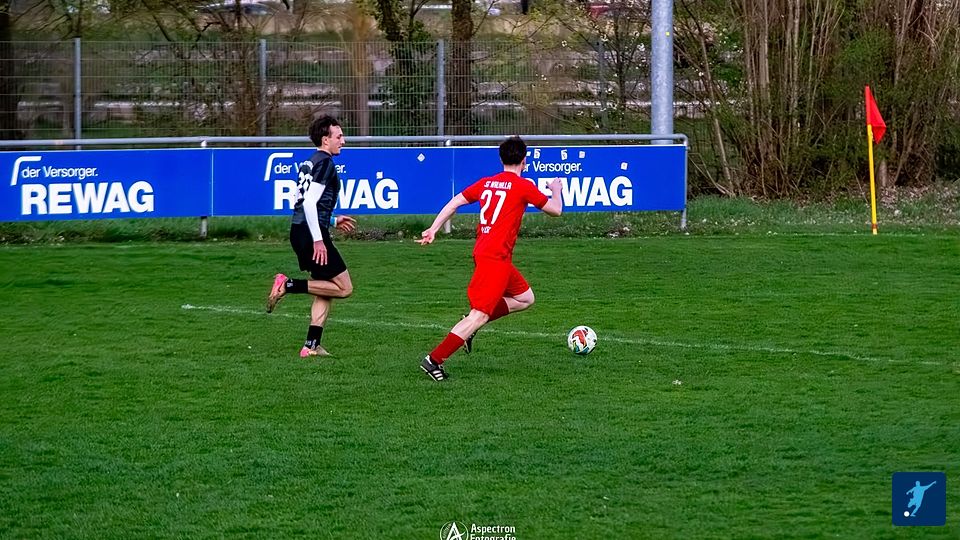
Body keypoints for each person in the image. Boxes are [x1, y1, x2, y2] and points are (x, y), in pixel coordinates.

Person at [416, 135, 563, 381]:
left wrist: (434, 228)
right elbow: (556, 210)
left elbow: (454, 203)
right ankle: (434, 360)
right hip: (494, 258)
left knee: (525, 298)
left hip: (490, 254)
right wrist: (556, 191)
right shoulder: (523, 186)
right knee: (480, 315)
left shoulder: (487, 183)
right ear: (524, 161)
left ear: (501, 159)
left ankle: (469, 326)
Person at [266, 115, 357, 358]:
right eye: (339, 137)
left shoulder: (310, 161)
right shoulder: (325, 163)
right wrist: (319, 239)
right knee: (344, 288)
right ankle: (288, 285)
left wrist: (333, 220)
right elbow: (308, 203)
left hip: (300, 230)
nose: (343, 141)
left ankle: (311, 346)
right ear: (326, 139)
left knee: (325, 289)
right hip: (310, 234)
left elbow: (301, 200)